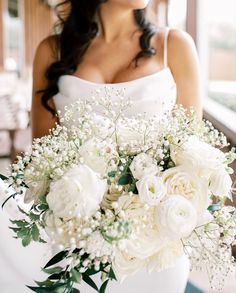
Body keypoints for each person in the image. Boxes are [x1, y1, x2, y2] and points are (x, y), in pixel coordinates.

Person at [32, 0, 201, 292]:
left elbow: (191, 157)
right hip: (75, 244)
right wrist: (85, 222)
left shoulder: (175, 46)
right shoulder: (51, 51)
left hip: (156, 246)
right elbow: (42, 161)